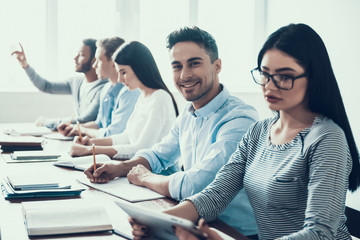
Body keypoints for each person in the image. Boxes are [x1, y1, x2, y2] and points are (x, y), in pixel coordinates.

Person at [134, 23, 360, 240]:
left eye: (284, 76)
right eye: (265, 74)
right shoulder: (258, 132)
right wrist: (155, 220)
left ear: (312, 78)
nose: (270, 86)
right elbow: (215, 195)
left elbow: (319, 233)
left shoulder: (327, 138)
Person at [84, 27, 259, 238]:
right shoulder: (188, 112)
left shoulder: (241, 118)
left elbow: (197, 184)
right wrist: (119, 168)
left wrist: (146, 178)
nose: (184, 75)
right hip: (192, 221)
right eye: (177, 66)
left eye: (194, 63)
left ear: (217, 66)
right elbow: (160, 153)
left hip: (230, 232)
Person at [70, 41, 179, 160]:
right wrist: (90, 142)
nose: (120, 79)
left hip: (160, 173)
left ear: (139, 68)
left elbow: (140, 149)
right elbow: (126, 137)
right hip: (138, 168)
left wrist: (90, 150)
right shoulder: (142, 96)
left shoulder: (159, 98)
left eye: (123, 72)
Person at [11, 39, 107, 130]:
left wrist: (46, 122)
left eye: (81, 55)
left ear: (94, 60)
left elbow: (85, 119)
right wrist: (25, 65)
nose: (75, 58)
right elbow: (46, 86)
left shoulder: (103, 88)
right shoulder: (76, 82)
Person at [57, 37, 140, 138]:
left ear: (114, 62)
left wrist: (83, 130)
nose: (94, 66)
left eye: (99, 60)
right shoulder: (106, 88)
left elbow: (113, 134)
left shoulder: (130, 91)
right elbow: (99, 124)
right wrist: (75, 128)